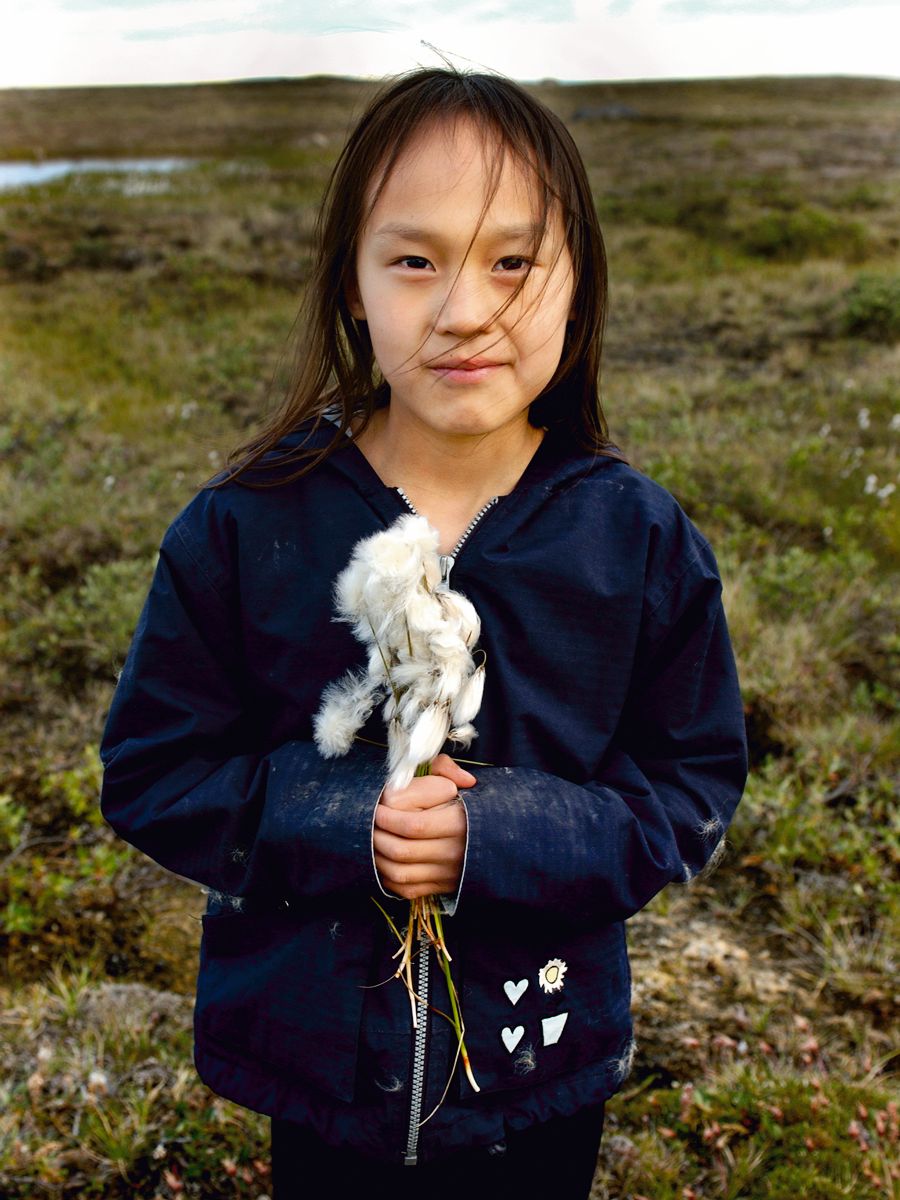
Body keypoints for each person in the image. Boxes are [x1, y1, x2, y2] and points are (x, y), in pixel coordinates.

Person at [99, 67, 748, 1199]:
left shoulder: (637, 538)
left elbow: (688, 789)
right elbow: (154, 771)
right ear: (352, 285)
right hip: (319, 1074)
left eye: (513, 260)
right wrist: (348, 819)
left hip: (538, 1062)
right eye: (414, 260)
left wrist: (498, 835)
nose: (463, 309)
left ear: (579, 283)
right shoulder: (248, 525)